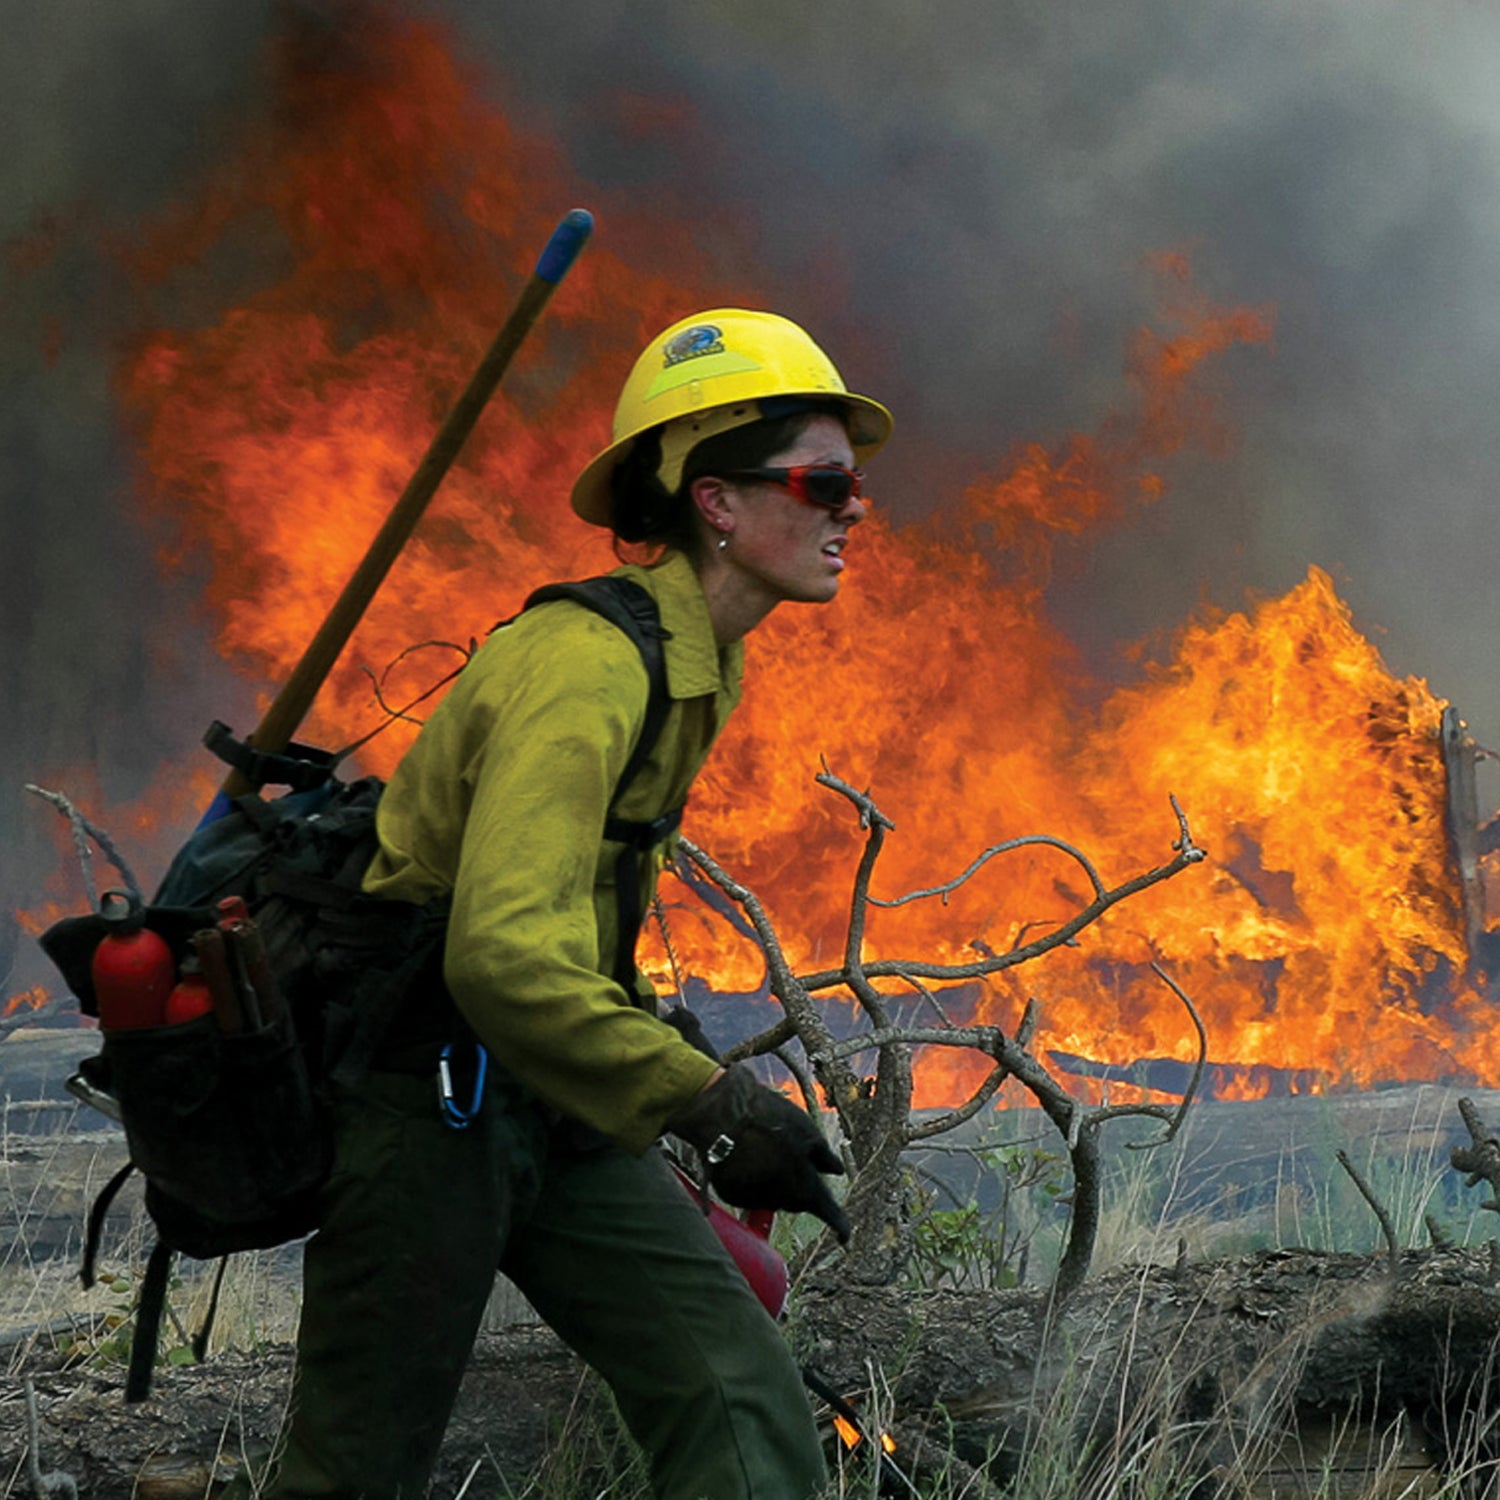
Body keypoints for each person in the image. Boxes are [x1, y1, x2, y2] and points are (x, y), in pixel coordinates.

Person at [264, 308, 893, 1499]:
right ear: (714, 499)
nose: (852, 507)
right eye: (822, 481)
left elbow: (571, 922)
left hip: (550, 1100)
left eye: (852, 484)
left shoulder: (697, 658)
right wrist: (705, 1103)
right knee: (355, 1471)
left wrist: (654, 1040)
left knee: (739, 1399)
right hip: (428, 1106)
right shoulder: (589, 665)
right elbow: (501, 957)